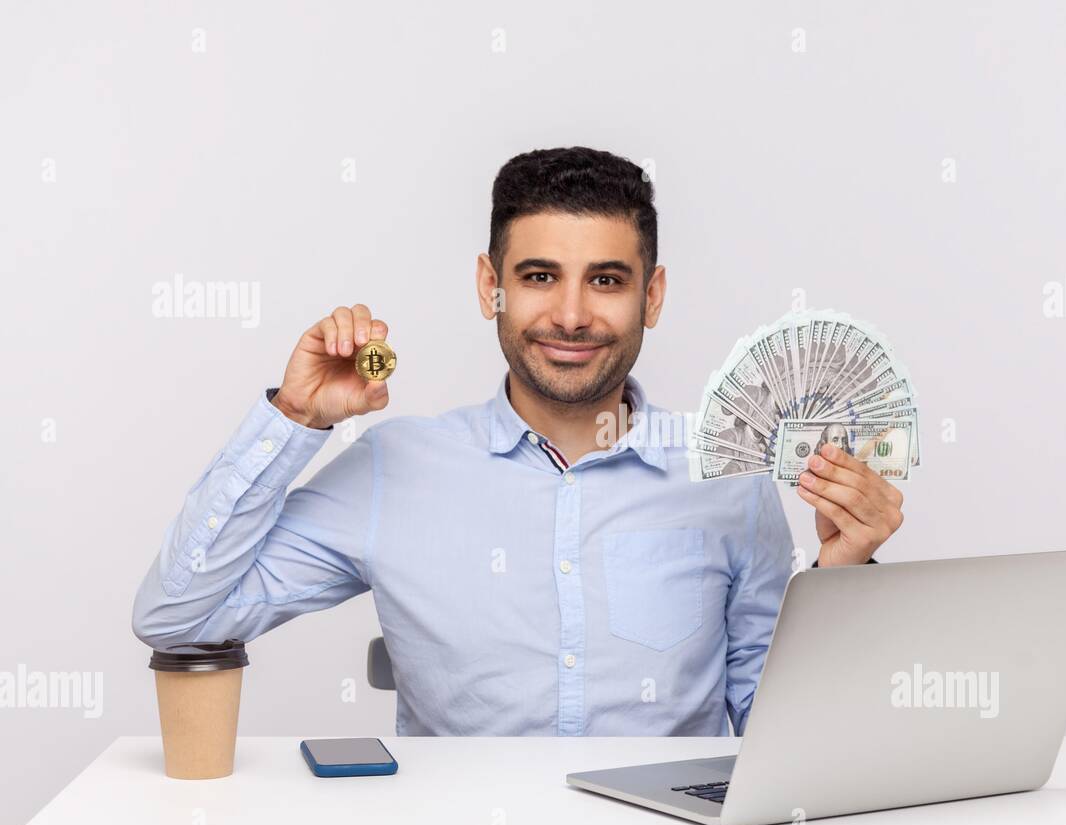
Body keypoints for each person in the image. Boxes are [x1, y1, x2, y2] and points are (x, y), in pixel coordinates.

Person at [131, 146, 905, 736]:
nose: (571, 315)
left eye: (606, 280)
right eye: (539, 276)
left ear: (652, 295)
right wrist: (296, 420)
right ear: (488, 286)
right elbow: (179, 619)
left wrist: (842, 576)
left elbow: (781, 736)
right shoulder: (394, 470)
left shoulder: (727, 480)